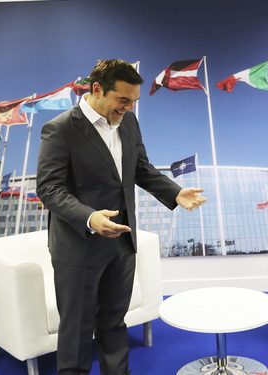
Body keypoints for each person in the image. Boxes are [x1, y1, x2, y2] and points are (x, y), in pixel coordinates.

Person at [36, 59, 206, 375]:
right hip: (78, 249)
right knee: (76, 333)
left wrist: (174, 192)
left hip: (121, 246)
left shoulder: (128, 122)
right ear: (97, 89)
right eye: (122, 100)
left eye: (133, 102)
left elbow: (140, 168)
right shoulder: (60, 129)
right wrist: (89, 217)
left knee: (114, 323)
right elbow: (49, 189)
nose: (127, 108)